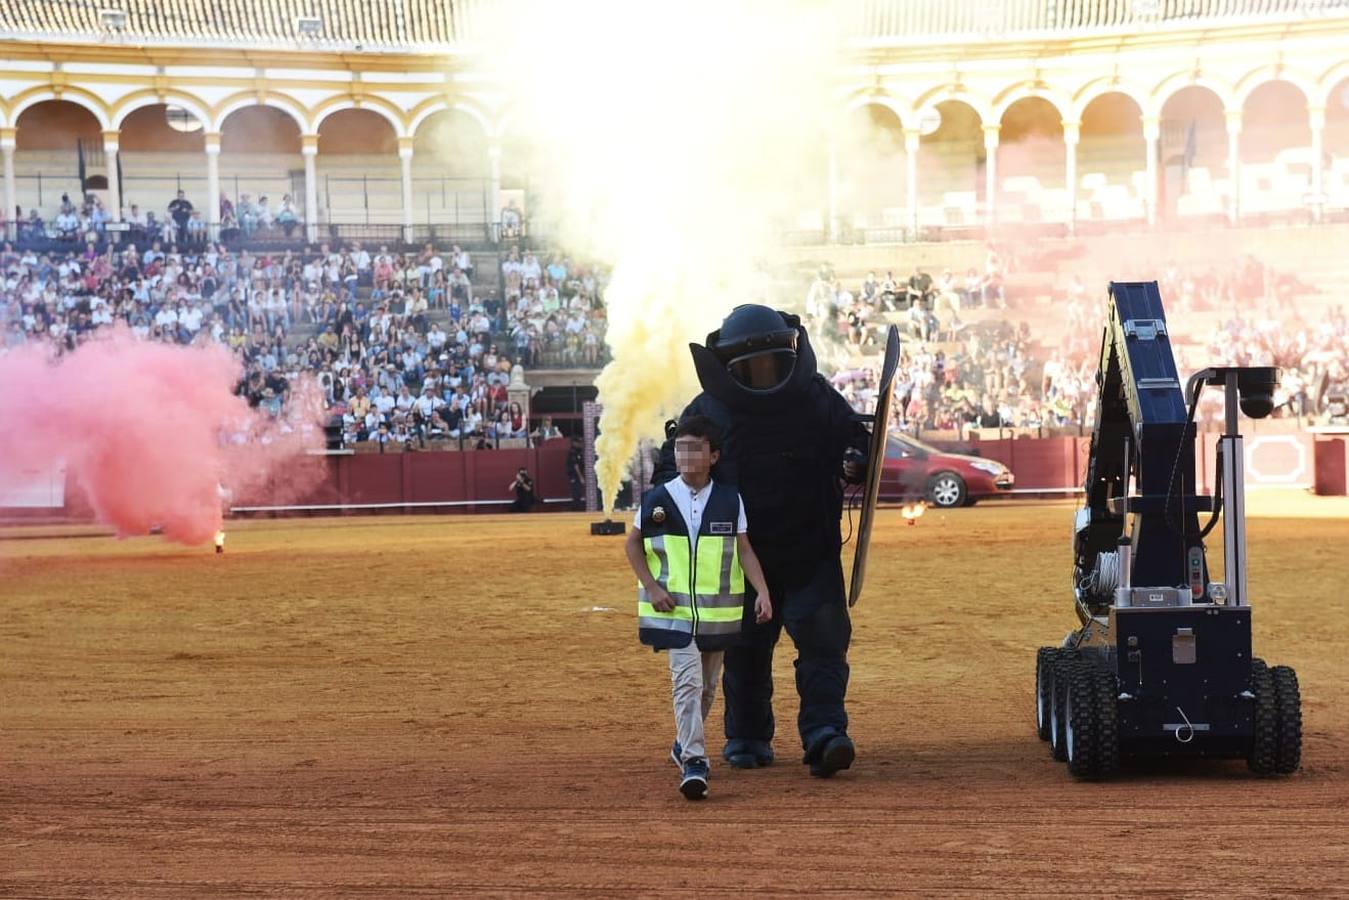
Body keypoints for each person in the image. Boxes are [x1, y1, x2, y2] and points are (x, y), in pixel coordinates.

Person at [653, 303, 869, 778]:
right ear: (731, 368)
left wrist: (856, 460)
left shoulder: (816, 399)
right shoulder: (707, 413)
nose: (766, 373)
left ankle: (826, 734)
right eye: (753, 367)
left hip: (809, 548)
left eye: (773, 361)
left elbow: (854, 442)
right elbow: (673, 466)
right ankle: (747, 736)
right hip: (738, 557)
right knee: (745, 649)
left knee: (824, 642)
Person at [625, 414, 772, 800]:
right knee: (687, 683)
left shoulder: (729, 499)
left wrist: (763, 591)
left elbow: (743, 549)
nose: (686, 455)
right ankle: (694, 760)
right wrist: (652, 587)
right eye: (681, 448)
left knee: (707, 688)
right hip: (673, 611)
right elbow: (632, 544)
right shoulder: (657, 498)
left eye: (695, 449)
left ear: (714, 456)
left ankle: (682, 743)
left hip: (715, 613)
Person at [567, 435, 585, 511]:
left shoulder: (578, 451)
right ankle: (576, 509)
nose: (581, 444)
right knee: (576, 492)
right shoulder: (573, 452)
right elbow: (575, 466)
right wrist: (581, 477)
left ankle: (577, 508)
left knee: (578, 493)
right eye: (579, 443)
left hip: (576, 476)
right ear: (574, 443)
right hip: (575, 476)